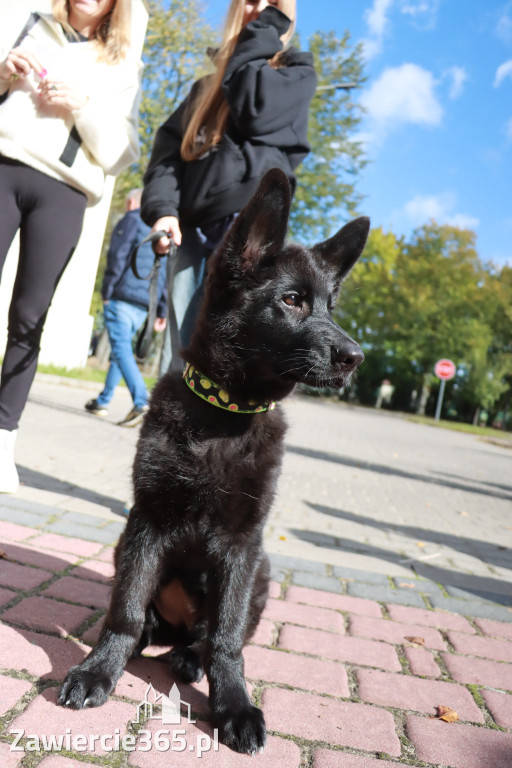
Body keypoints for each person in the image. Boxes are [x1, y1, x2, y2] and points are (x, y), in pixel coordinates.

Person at [0, 0, 141, 493]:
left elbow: (122, 152)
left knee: (29, 316)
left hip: (62, 191)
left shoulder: (121, 61)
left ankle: (3, 437)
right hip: (2, 165)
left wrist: (82, 107)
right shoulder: (25, 22)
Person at [141, 0, 316, 373]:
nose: (258, 9)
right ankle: (177, 430)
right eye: (250, 1)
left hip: (249, 238)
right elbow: (167, 158)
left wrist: (269, 26)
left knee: (226, 360)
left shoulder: (296, 75)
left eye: (271, 3)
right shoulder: (204, 89)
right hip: (189, 235)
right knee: (181, 357)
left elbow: (256, 106)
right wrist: (164, 211)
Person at [85, 188, 167, 427]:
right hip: (144, 304)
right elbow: (163, 274)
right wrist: (160, 309)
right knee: (121, 351)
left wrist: (107, 291)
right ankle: (103, 400)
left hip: (122, 296)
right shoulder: (161, 232)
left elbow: (118, 255)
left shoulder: (132, 219)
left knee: (120, 349)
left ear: (132, 201)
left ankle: (141, 401)